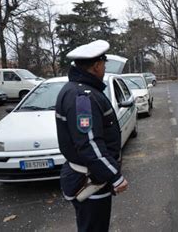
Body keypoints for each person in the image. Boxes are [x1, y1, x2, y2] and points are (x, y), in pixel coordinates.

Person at [55, 40, 129, 232]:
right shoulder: (83, 97)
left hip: (90, 176)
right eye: (104, 64)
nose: (105, 68)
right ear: (96, 66)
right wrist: (114, 176)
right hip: (90, 180)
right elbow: (89, 144)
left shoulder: (77, 89)